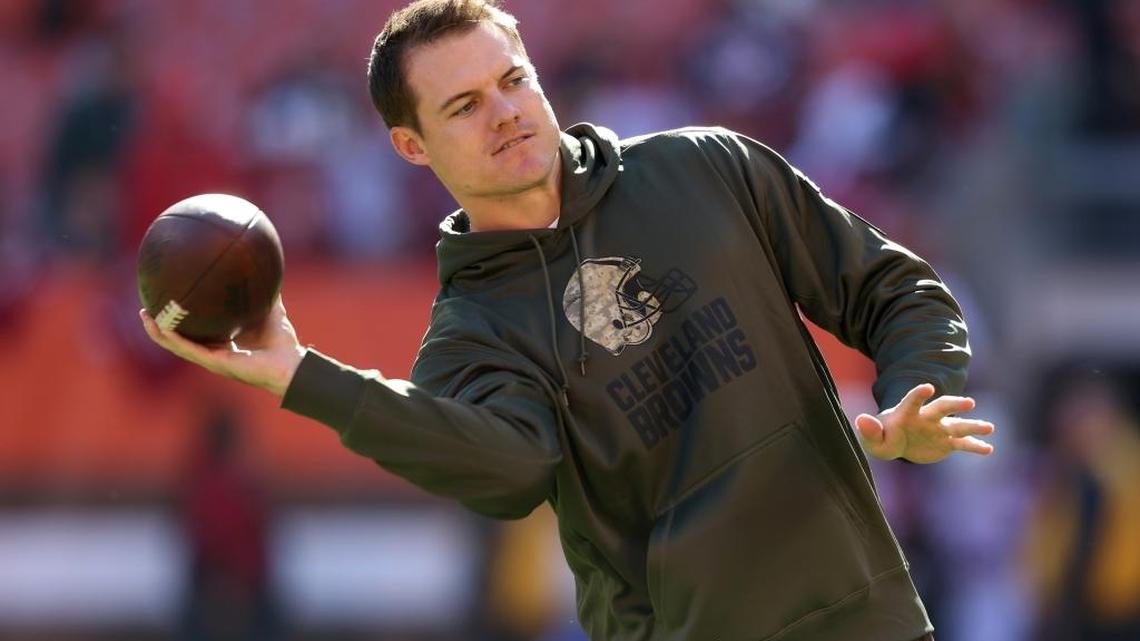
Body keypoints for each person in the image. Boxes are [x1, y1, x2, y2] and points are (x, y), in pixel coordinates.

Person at [140, 1, 996, 639]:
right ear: (411, 145)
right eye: (464, 105)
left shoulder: (704, 168)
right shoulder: (471, 334)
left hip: (871, 622)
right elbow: (511, 470)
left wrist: (919, 391)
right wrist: (304, 377)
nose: (506, 112)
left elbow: (893, 288)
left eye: (514, 81)